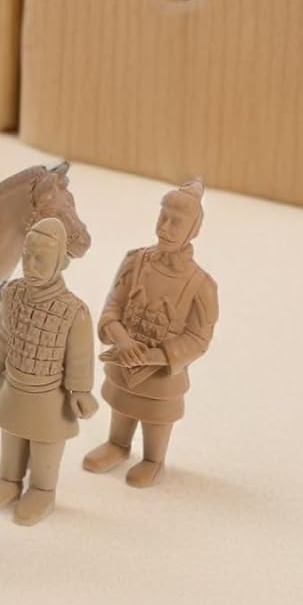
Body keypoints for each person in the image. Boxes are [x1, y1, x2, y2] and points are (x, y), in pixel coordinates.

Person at [83, 179, 219, 488]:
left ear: (193, 230)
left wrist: (154, 356)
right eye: (163, 218)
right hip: (123, 362)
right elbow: (112, 308)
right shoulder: (135, 261)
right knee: (121, 403)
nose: (165, 228)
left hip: (161, 375)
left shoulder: (202, 286)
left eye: (176, 222)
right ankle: (117, 444)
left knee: (157, 414)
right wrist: (123, 341)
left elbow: (198, 339)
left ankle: (153, 459)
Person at [0, 216, 97, 525]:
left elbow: (80, 357)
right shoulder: (13, 293)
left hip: (49, 397)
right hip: (14, 387)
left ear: (61, 262)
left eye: (41, 258)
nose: (30, 265)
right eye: (26, 256)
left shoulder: (74, 312)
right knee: (12, 437)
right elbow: (7, 334)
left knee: (45, 447)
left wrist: (81, 391)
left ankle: (43, 491)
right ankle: (9, 480)